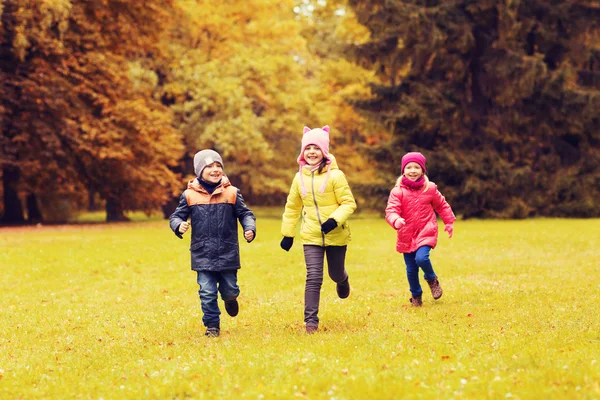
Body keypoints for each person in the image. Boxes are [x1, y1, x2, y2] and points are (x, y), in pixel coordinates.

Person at [169, 149, 256, 337]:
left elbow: (246, 214)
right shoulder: (189, 195)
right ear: (199, 171)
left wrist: (249, 228)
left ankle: (230, 299)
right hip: (202, 254)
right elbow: (176, 217)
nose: (215, 169)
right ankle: (212, 325)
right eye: (209, 166)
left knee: (230, 289)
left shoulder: (232, 193)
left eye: (218, 166)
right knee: (207, 293)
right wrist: (178, 225)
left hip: (227, 252)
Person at [280, 125, 357, 334]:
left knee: (335, 273)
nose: (311, 152)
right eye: (308, 148)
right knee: (313, 276)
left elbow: (349, 203)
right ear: (303, 152)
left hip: (336, 234)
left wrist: (334, 220)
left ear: (324, 151)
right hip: (311, 234)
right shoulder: (299, 178)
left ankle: (343, 279)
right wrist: (288, 233)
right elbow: (293, 206)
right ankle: (311, 323)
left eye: (316, 148)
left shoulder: (336, 176)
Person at [385, 152, 456, 307]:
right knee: (411, 269)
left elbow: (441, 205)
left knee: (421, 258)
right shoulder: (397, 191)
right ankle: (416, 296)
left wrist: (449, 221)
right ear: (403, 170)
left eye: (416, 167)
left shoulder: (429, 188)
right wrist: (396, 220)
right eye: (409, 167)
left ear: (423, 170)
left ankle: (432, 278)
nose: (413, 170)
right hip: (406, 234)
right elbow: (391, 211)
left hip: (426, 230)